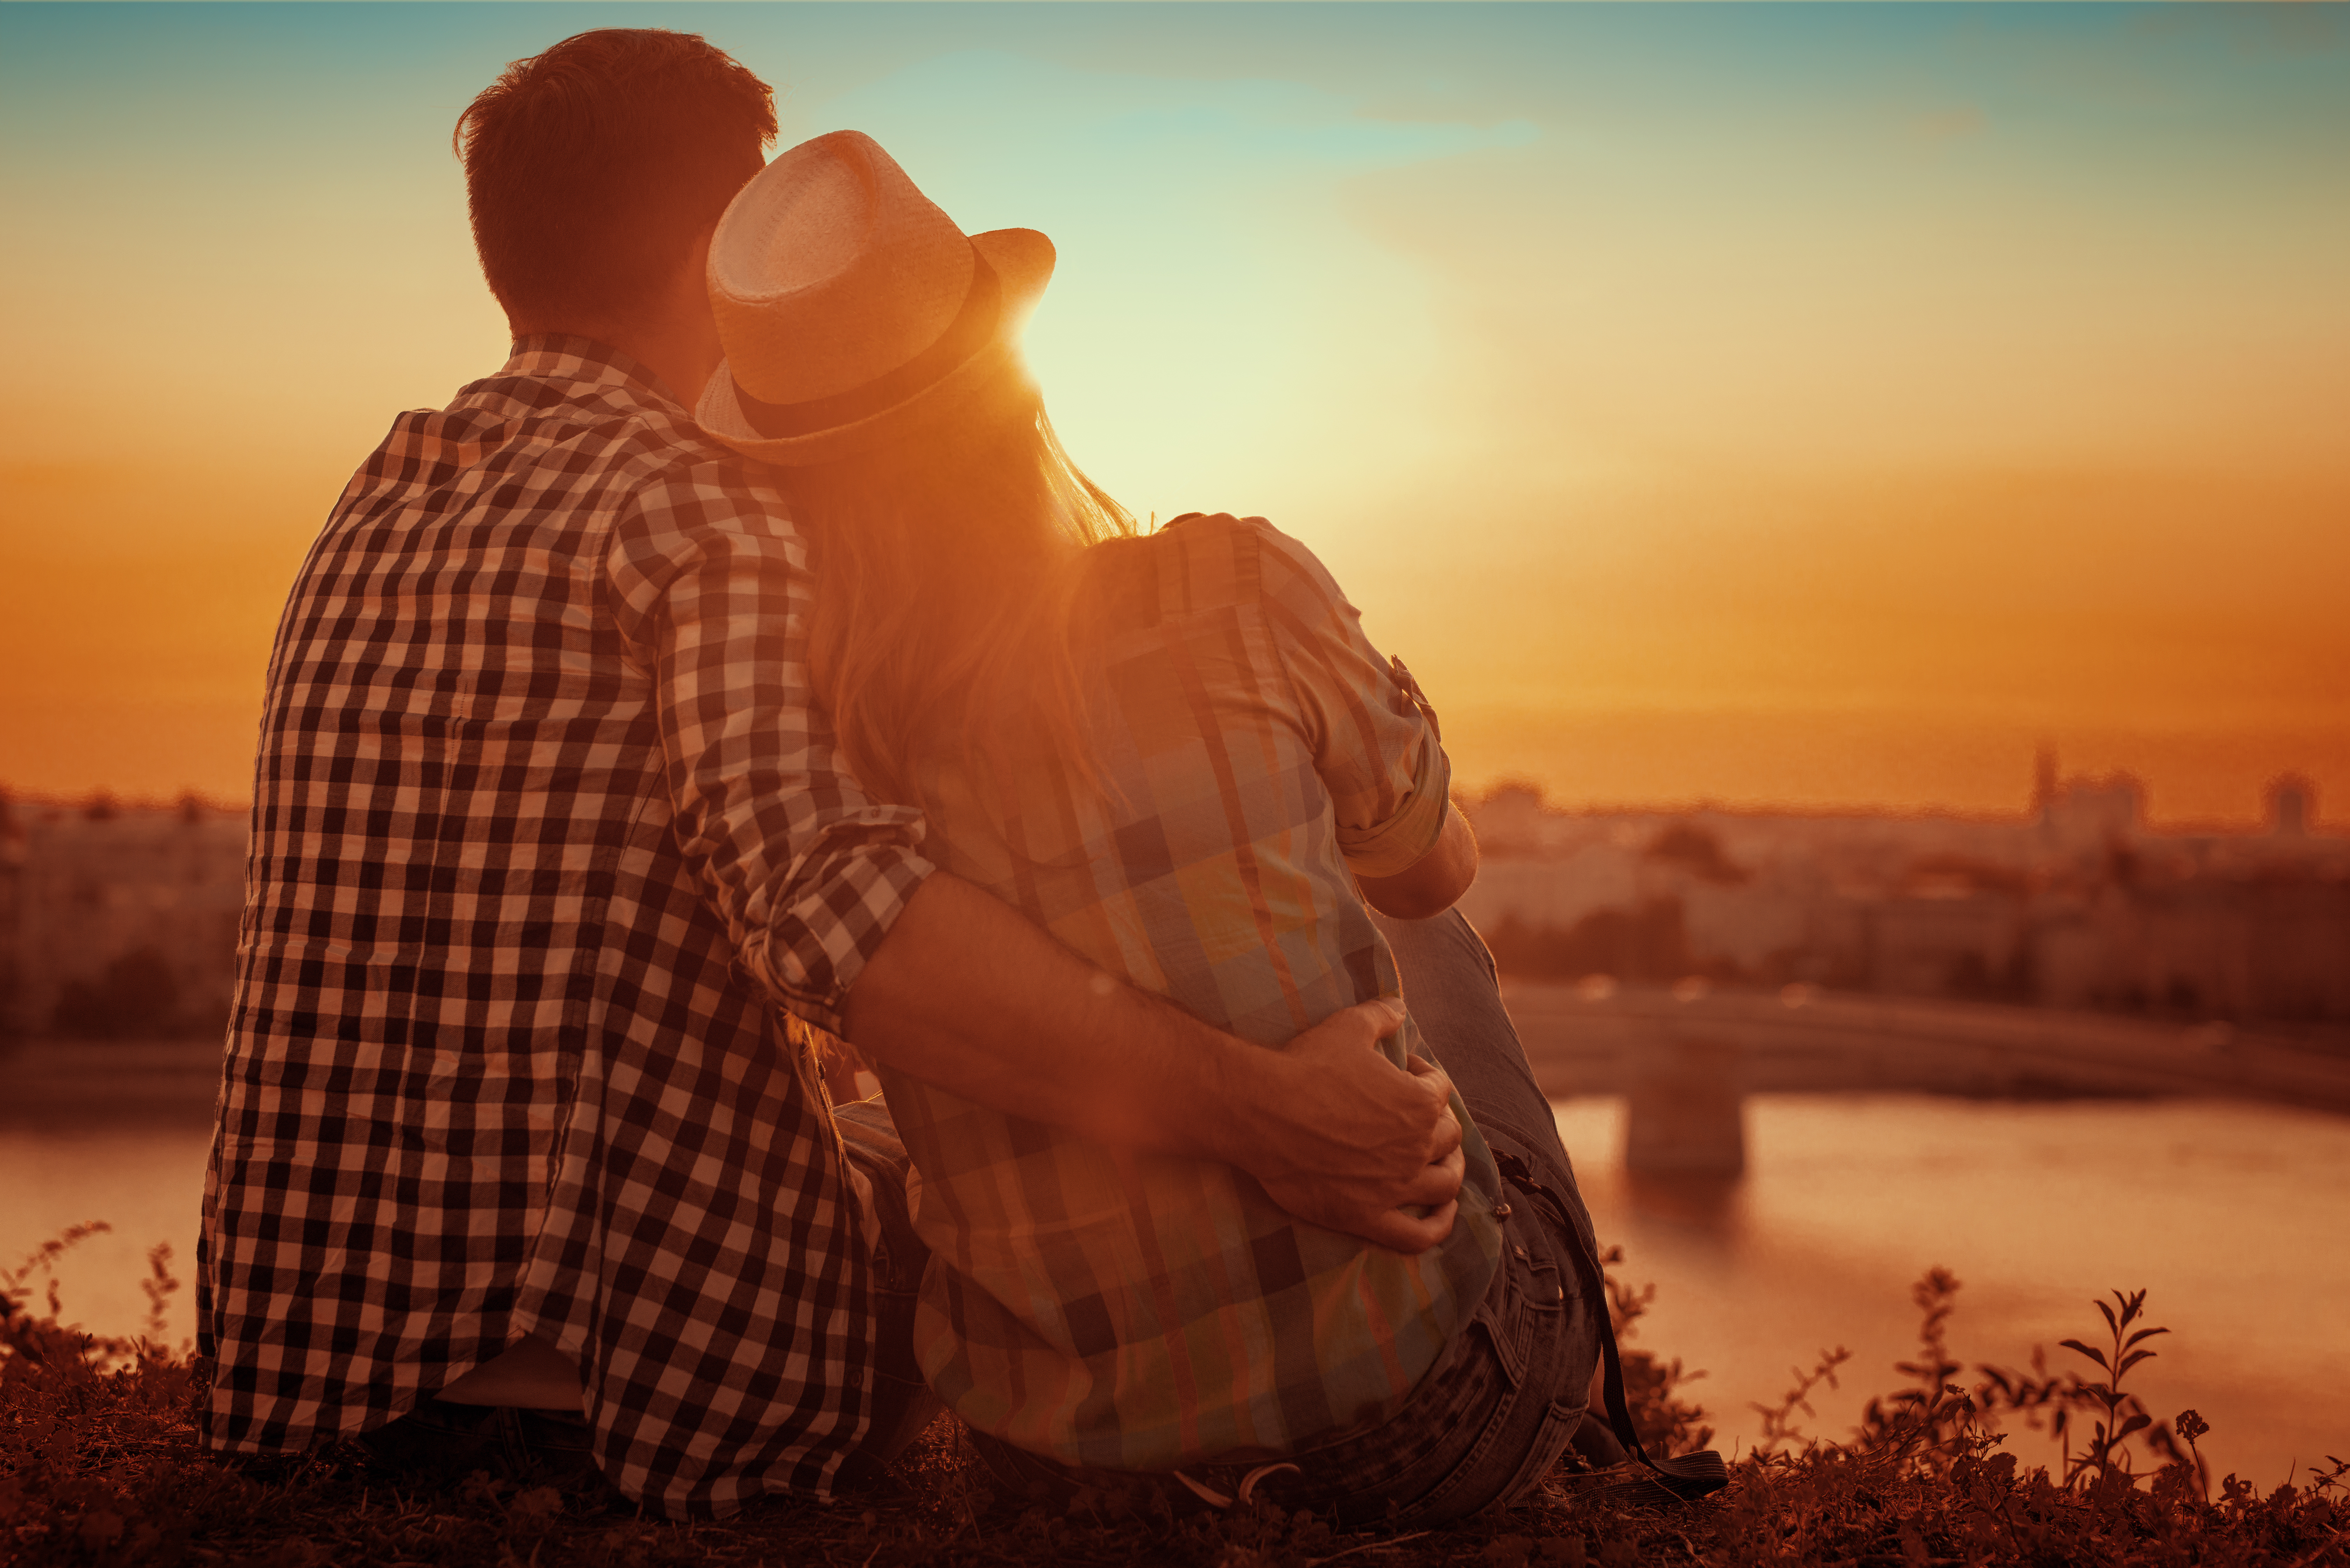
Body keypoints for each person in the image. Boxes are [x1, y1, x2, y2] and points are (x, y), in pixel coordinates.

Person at [197, 29, 1465, 1521]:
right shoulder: (700, 506)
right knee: (1435, 941)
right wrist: (1268, 1109)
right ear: (712, 254)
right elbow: (833, 913)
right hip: (633, 1390)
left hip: (312, 1372)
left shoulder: (386, 489)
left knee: (896, 1128)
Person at [693, 131, 1723, 1524]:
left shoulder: (818, 737)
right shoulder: (1235, 585)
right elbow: (1432, 863)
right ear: (1009, 385)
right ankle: (1583, 1422)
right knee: (1435, 937)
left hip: (1062, 1465)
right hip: (1417, 1422)